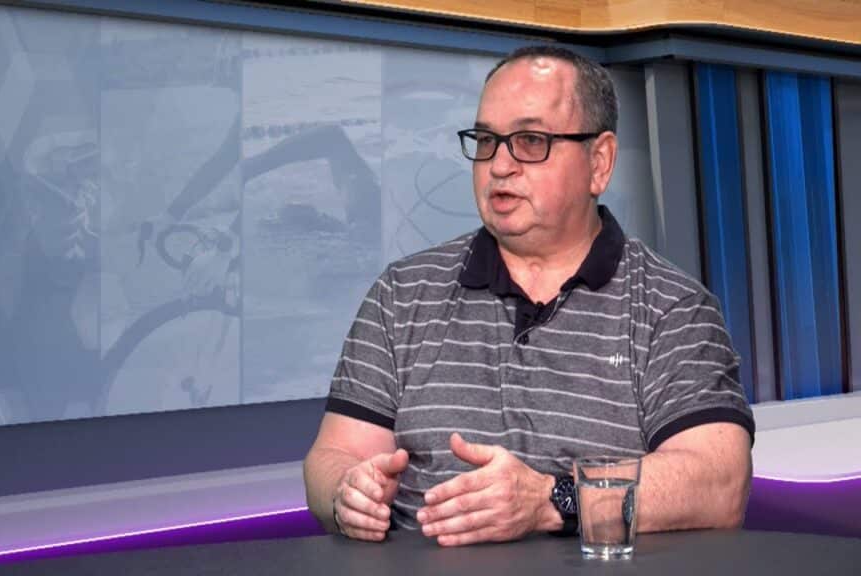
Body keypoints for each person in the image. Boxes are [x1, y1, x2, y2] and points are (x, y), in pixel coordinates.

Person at [302, 45, 754, 547]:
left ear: (599, 162)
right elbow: (333, 457)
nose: (499, 165)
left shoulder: (671, 308)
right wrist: (347, 493)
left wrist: (549, 500)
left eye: (530, 141)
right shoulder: (402, 295)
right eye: (486, 140)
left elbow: (718, 482)